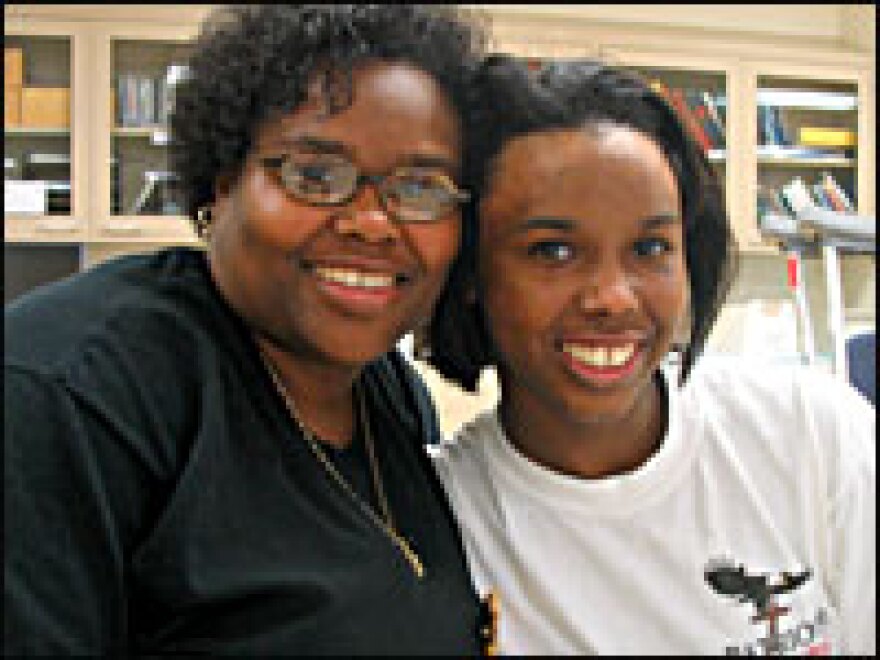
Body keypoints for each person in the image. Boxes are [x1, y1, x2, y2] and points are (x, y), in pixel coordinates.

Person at [4, 5, 491, 654]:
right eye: (315, 175)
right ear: (221, 183)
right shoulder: (67, 395)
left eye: (421, 187)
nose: (373, 222)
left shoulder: (394, 397)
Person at [427, 56, 876, 655]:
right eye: (553, 252)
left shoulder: (811, 437)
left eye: (649, 247)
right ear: (472, 273)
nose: (612, 298)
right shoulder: (442, 519)